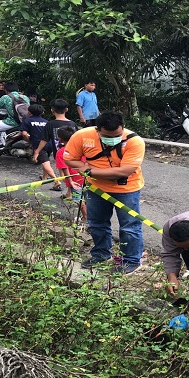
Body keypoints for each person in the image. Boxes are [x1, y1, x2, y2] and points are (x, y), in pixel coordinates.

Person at [64, 112, 145, 274]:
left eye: (117, 135)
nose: (114, 138)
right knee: (96, 223)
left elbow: (125, 171)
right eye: (108, 136)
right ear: (97, 129)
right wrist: (82, 167)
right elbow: (69, 158)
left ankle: (131, 260)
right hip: (96, 189)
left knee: (130, 226)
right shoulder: (82, 136)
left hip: (127, 189)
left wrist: (91, 171)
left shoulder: (134, 141)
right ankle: (101, 254)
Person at [35, 99, 79, 195]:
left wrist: (37, 151)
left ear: (52, 110)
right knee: (70, 172)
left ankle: (69, 191)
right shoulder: (72, 124)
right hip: (73, 153)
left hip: (60, 153)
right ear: (66, 110)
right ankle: (68, 192)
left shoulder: (50, 124)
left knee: (64, 173)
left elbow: (44, 140)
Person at [56, 126, 86, 221]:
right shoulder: (81, 148)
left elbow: (64, 168)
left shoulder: (61, 152)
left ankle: (86, 218)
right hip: (86, 177)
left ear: (60, 138)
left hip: (74, 180)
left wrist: (70, 182)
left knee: (79, 200)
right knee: (87, 197)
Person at [0, 82, 30, 149]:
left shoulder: (5, 97)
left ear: (6, 90)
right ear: (17, 89)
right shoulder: (25, 97)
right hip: (26, 121)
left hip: (13, 122)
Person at [20, 103, 48, 171]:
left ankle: (55, 179)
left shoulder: (27, 120)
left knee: (45, 163)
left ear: (29, 112)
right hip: (48, 143)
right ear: (42, 112)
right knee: (46, 160)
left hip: (38, 144)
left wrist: (29, 141)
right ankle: (44, 178)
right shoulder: (46, 122)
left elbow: (24, 134)